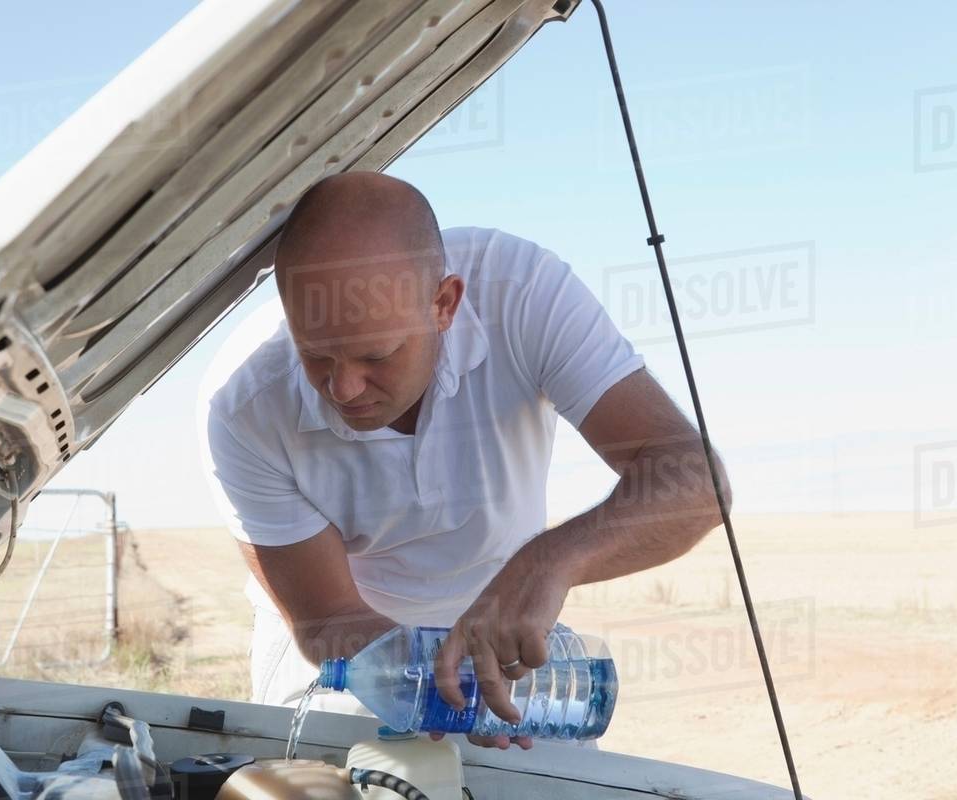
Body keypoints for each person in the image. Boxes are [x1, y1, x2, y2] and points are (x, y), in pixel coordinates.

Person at [203, 172, 729, 749]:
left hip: (506, 644)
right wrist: (436, 687)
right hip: (346, 662)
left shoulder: (522, 294)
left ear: (444, 304)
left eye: (375, 354)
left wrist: (549, 562)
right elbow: (327, 618)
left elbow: (697, 481)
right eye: (316, 356)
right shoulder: (244, 403)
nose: (345, 387)